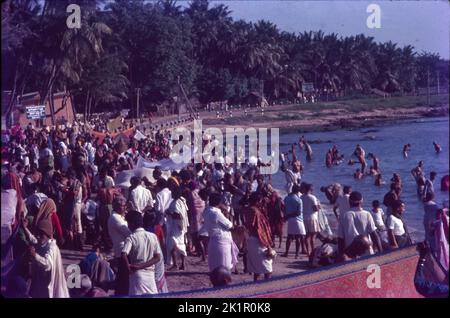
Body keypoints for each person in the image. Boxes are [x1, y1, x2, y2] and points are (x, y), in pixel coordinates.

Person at [22, 218, 69, 298]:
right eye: (38, 233)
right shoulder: (42, 242)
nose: (38, 236)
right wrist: (25, 228)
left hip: (47, 284)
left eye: (41, 234)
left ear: (47, 234)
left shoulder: (52, 247)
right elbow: (33, 239)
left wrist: (34, 255)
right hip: (39, 282)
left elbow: (48, 264)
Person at [122, 210, 161, 296]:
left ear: (131, 224)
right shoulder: (153, 236)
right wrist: (142, 266)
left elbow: (124, 254)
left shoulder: (131, 238)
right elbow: (157, 257)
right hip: (150, 276)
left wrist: (129, 267)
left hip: (137, 276)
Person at [337, 191, 382, 256]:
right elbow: (374, 235)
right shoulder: (367, 214)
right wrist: (381, 253)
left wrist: (341, 256)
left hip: (351, 255)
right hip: (367, 253)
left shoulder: (344, 216)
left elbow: (340, 239)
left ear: (349, 202)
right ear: (361, 201)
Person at [202, 192, 238, 272]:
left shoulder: (206, 211)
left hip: (213, 240)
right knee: (224, 267)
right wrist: (227, 212)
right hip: (222, 242)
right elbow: (230, 225)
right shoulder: (216, 213)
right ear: (219, 203)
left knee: (215, 267)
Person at [244, 193, 274, 281]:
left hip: (252, 240)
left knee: (257, 269)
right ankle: (266, 289)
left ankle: (255, 287)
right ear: (257, 201)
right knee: (267, 269)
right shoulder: (255, 211)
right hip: (258, 241)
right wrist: (268, 246)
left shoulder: (249, 209)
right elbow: (259, 230)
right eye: (260, 201)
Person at [107, 194, 131, 296]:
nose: (124, 207)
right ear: (115, 206)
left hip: (124, 250)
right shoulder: (115, 218)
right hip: (122, 251)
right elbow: (129, 233)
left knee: (124, 280)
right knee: (123, 281)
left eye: (124, 205)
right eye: (122, 205)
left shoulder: (120, 217)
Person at [166, 187, 189, 270]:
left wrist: (169, 213)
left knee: (172, 245)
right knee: (181, 244)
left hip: (176, 226)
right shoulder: (182, 201)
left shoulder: (176, 203)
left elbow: (178, 215)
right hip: (181, 227)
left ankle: (175, 264)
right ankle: (183, 264)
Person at [283, 184, 306, 258]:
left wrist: (287, 215)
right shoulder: (299, 200)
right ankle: (297, 254)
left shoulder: (286, 198)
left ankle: (286, 253)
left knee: (289, 237)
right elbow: (298, 213)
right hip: (298, 220)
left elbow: (284, 208)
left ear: (292, 189)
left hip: (290, 220)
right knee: (298, 238)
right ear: (298, 191)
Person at [301, 183, 321, 256]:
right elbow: (315, 209)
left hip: (304, 218)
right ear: (310, 189)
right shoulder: (313, 197)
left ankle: (308, 251)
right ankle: (313, 251)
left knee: (307, 236)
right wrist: (319, 207)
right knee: (313, 236)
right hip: (312, 217)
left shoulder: (301, 197)